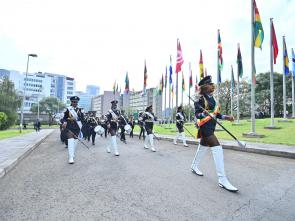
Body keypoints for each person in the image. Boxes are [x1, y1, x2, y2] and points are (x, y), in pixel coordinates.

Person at [191, 75, 238, 192]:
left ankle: (194, 165)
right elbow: (197, 115)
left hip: (211, 126)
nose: (212, 86)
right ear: (205, 87)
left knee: (202, 147)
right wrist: (204, 114)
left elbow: (216, 114)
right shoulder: (200, 100)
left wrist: (226, 117)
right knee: (217, 148)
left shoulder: (213, 99)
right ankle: (222, 179)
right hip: (205, 127)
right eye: (210, 84)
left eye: (212, 84)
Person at [62, 96, 85, 164]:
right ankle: (71, 157)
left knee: (75, 142)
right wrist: (65, 122)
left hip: (77, 128)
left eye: (76, 102)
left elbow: (83, 119)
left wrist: (76, 119)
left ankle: (72, 153)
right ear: (71, 102)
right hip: (69, 127)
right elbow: (64, 118)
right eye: (73, 102)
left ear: (77, 102)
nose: (74, 103)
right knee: (70, 140)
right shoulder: (68, 109)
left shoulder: (81, 110)